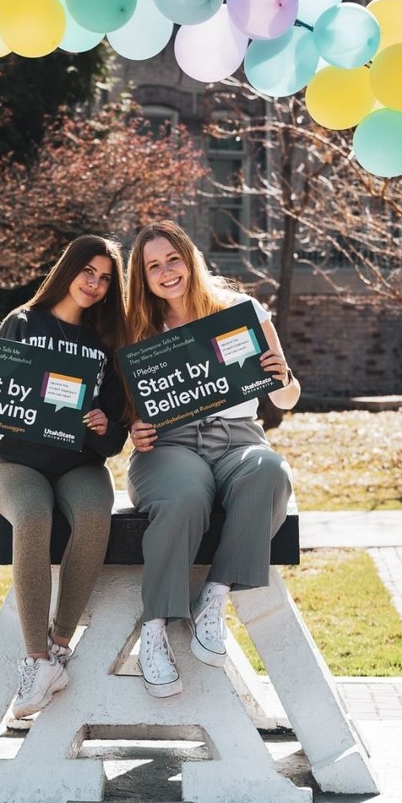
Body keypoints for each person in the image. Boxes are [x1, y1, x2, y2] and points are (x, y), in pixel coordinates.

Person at [0, 235, 129, 718]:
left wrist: (105, 426)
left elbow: (116, 426)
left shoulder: (105, 342)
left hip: (80, 464)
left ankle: (59, 646)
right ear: (67, 269)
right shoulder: (22, 323)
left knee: (93, 513)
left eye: (105, 278)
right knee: (33, 517)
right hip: (18, 464)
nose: (94, 284)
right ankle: (34, 659)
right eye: (88, 271)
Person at [123, 220, 300, 698]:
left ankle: (214, 598)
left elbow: (286, 399)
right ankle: (155, 629)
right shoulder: (137, 327)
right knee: (182, 498)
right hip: (169, 445)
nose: (166, 272)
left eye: (172, 259)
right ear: (143, 277)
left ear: (190, 258)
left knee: (270, 471)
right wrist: (132, 427)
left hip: (237, 438)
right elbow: (126, 407)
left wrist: (281, 377)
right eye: (153, 266)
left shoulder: (241, 311)